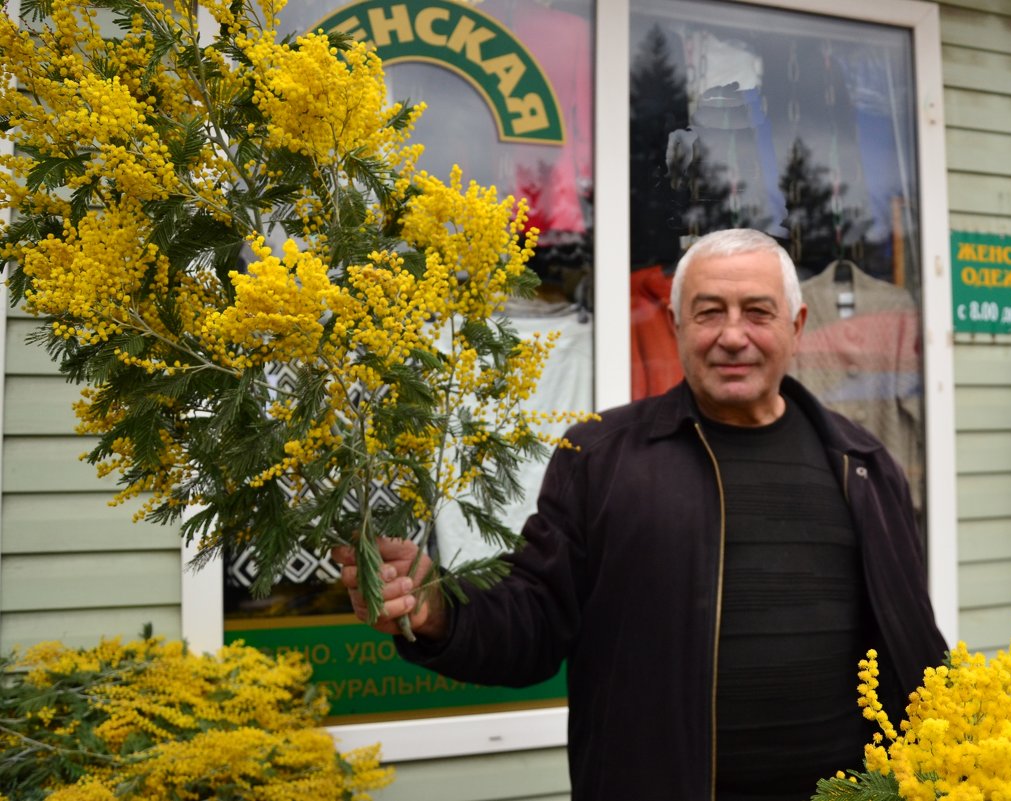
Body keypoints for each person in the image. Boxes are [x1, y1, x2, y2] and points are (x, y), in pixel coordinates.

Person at [335, 228, 947, 801]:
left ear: (797, 324)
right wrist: (438, 608)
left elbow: (908, 640)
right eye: (709, 312)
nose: (733, 335)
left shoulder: (863, 465)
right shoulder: (602, 459)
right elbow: (535, 621)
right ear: (677, 324)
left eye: (757, 312)